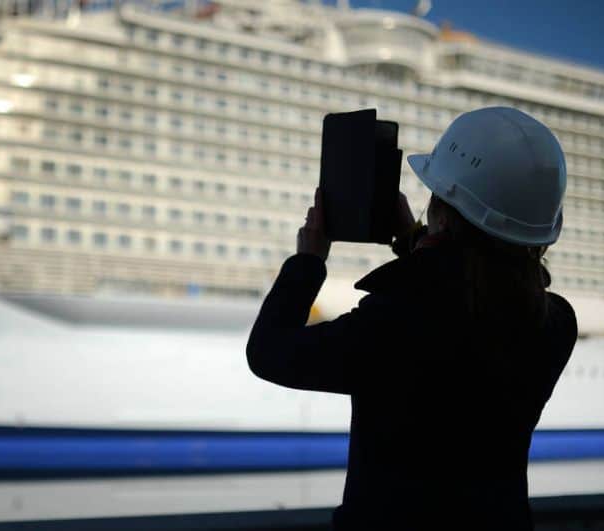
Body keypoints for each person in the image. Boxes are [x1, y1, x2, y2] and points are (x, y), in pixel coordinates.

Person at [247, 107, 577, 530]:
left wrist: (308, 261)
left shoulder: (394, 322)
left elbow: (269, 351)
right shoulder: (555, 324)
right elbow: (470, 291)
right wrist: (414, 240)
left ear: (441, 212)